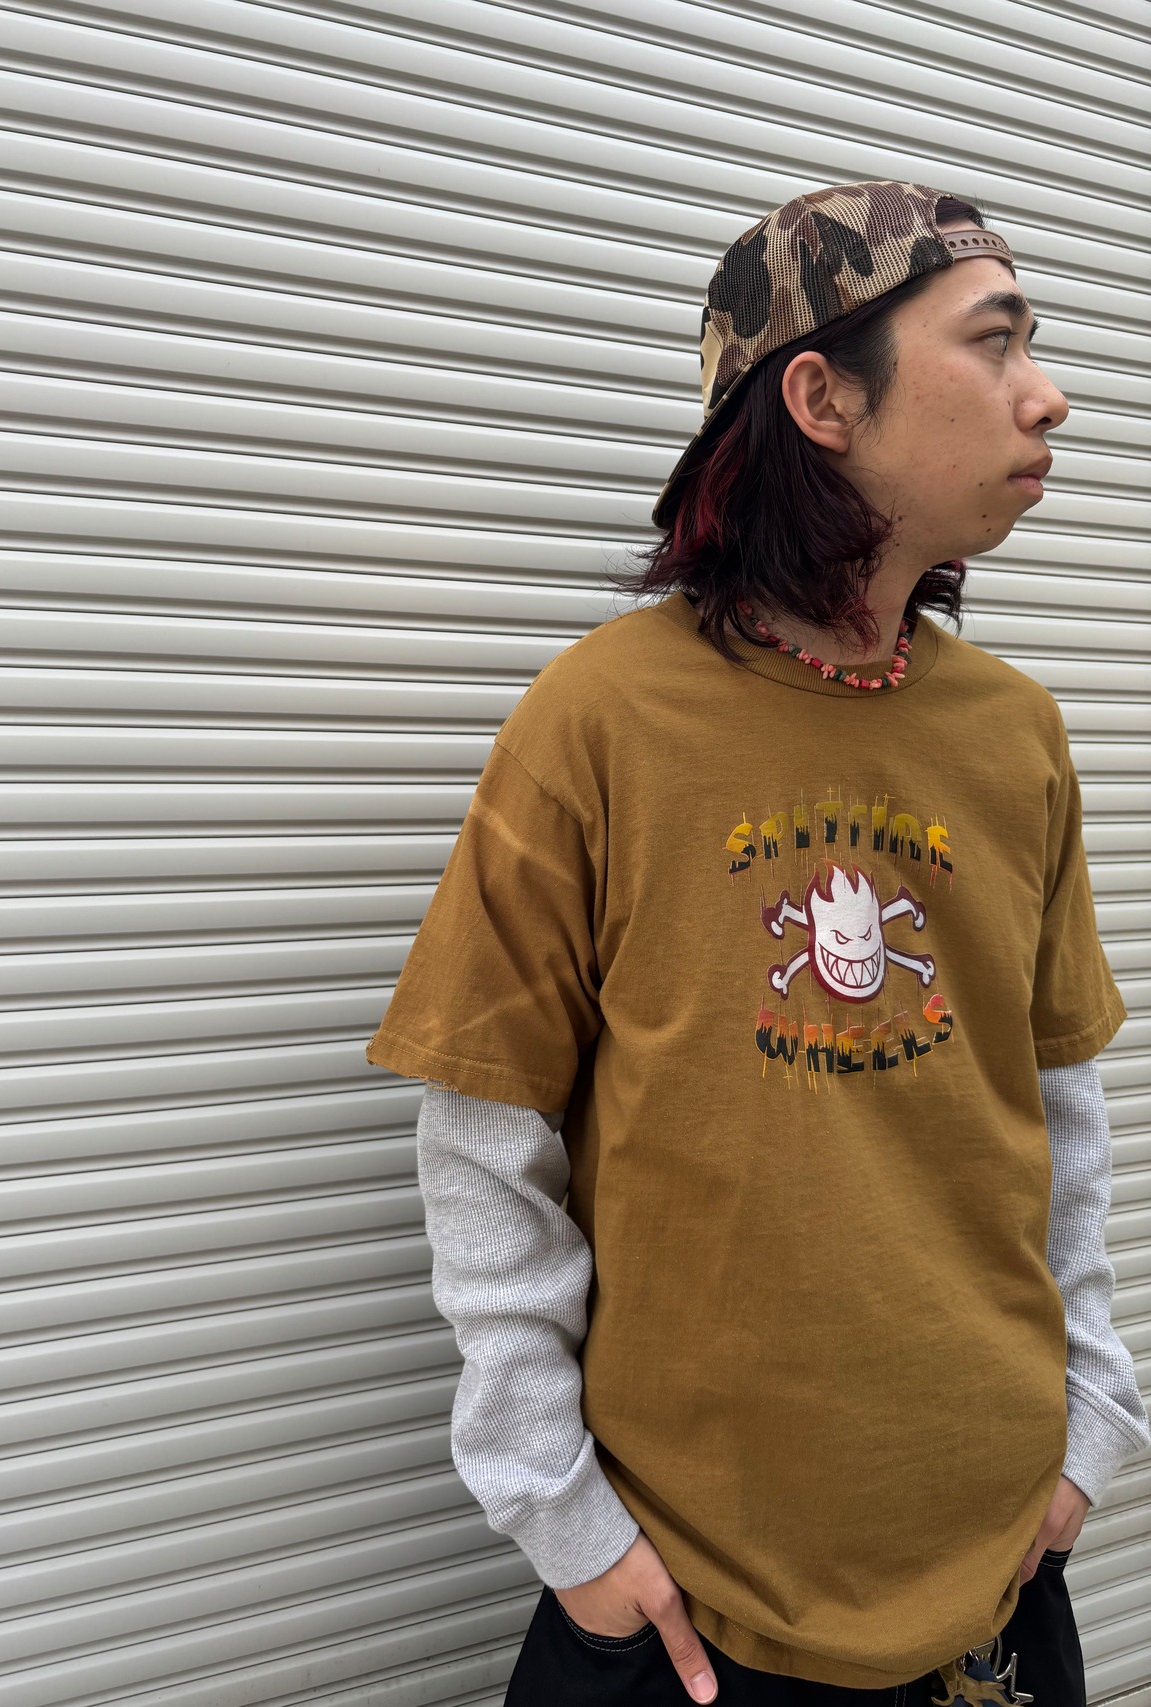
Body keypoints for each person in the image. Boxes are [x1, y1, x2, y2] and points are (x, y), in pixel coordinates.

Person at [365, 181, 1150, 1705]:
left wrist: (1088, 1426)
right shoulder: (599, 719)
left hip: (991, 1562)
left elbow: (1056, 1116)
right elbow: (484, 1136)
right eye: (995, 342)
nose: (1047, 394)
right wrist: (564, 1522)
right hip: (691, 1601)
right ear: (821, 399)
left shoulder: (1016, 734)